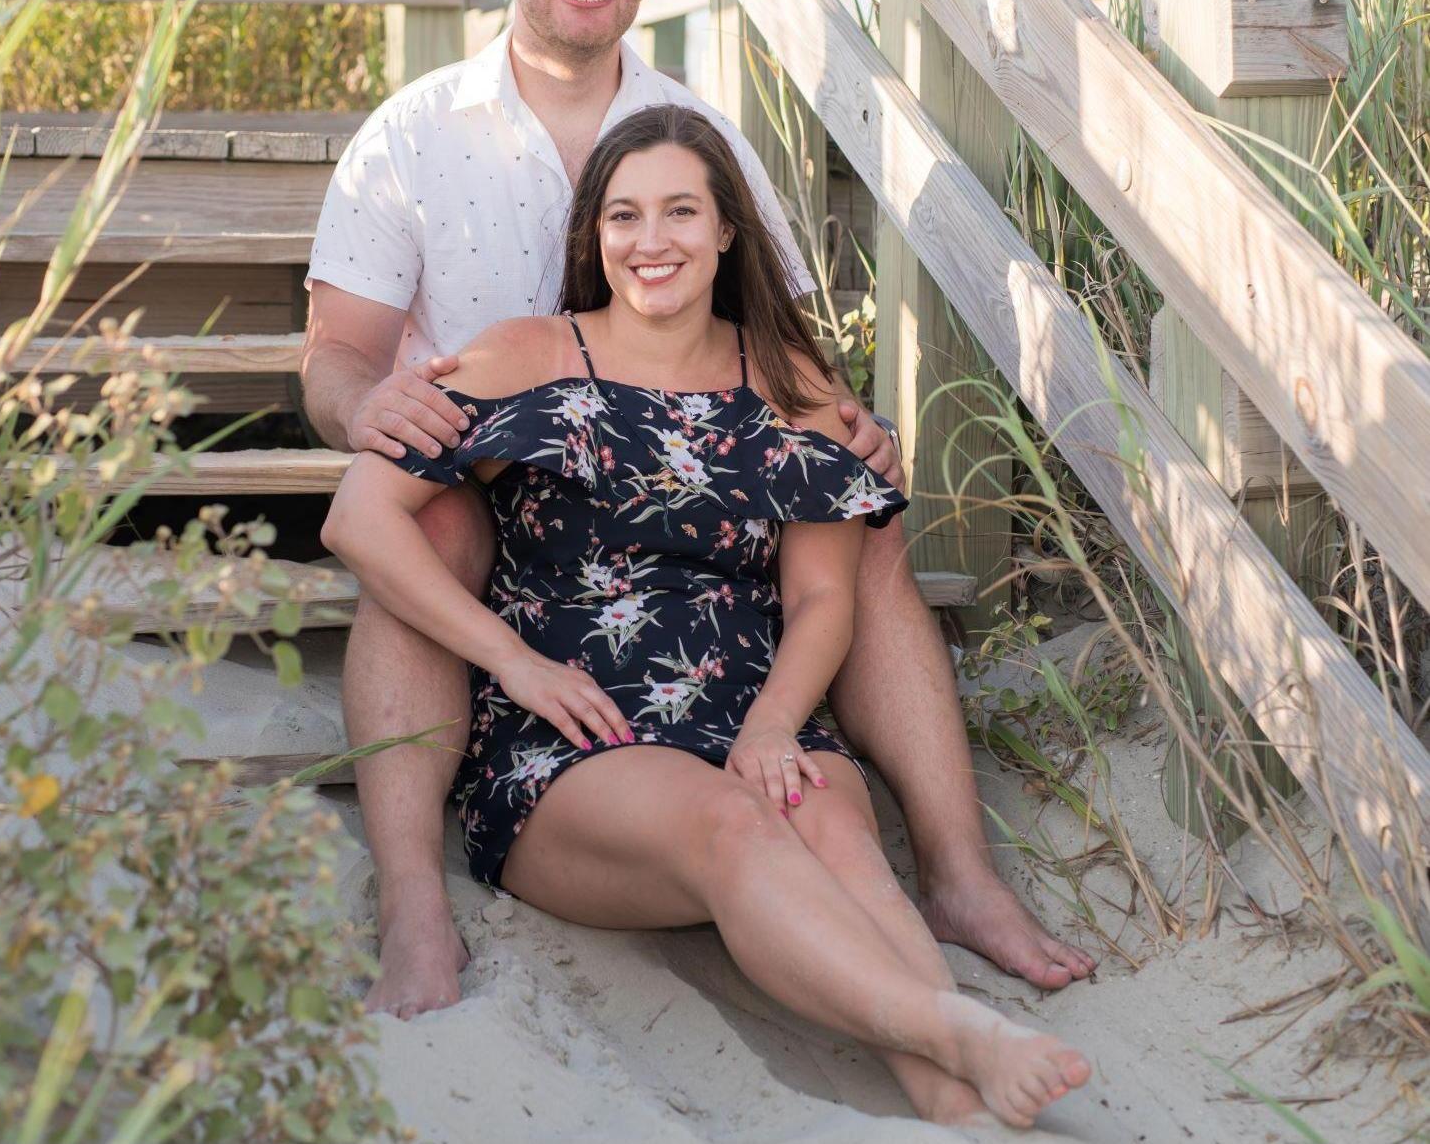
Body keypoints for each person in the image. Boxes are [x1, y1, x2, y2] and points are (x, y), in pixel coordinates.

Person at [300, 0, 1095, 1020]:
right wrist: (363, 407)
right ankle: (414, 895)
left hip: (668, 465)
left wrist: (839, 425)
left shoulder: (691, 126)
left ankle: (961, 876)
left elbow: (765, 329)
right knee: (436, 527)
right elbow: (334, 355)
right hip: (485, 462)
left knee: (861, 535)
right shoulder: (413, 132)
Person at [321, 105, 1094, 1130]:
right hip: (577, 730)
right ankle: (956, 1028)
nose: (651, 241)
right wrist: (511, 661)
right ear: (593, 233)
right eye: (624, 214)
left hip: (751, 709)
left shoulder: (789, 380)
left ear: (726, 228)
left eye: (680, 211)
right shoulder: (525, 353)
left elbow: (824, 592)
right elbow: (358, 518)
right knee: (733, 822)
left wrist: (774, 724)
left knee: (833, 826)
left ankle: (952, 1096)